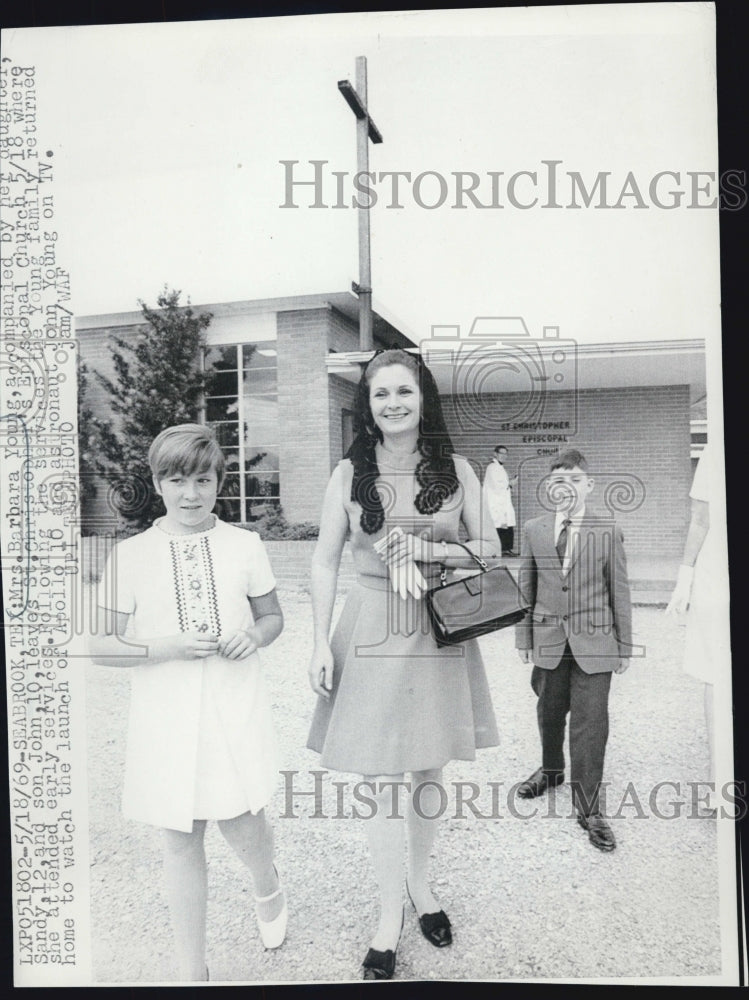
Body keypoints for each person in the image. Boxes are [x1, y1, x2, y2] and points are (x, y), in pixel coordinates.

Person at [306, 348, 500, 980]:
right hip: (369, 628)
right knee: (381, 779)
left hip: (437, 631)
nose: (392, 403)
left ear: (424, 399)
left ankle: (422, 886)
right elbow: (324, 561)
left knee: (426, 768)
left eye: (403, 392)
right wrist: (315, 643)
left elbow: (489, 554)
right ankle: (389, 916)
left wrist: (423, 549)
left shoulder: (458, 468)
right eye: (380, 394)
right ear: (367, 404)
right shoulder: (347, 472)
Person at [90, 424, 287, 982]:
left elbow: (273, 617)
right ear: (157, 483)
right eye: (176, 480)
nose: (191, 494)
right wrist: (165, 647)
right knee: (180, 837)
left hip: (232, 707)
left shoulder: (244, 545)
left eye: (203, 479)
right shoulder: (131, 554)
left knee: (243, 821)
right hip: (165, 718)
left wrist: (256, 635)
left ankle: (266, 881)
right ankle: (191, 972)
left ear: (219, 481)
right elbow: (99, 645)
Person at [515, 449, 632, 853]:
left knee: (591, 721)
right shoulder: (534, 528)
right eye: (556, 482)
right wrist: (522, 638)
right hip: (548, 639)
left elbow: (620, 591)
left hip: (595, 642)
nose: (564, 488)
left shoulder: (607, 530)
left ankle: (589, 807)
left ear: (589, 485)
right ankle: (551, 771)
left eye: (574, 480)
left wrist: (625, 645)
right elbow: (525, 588)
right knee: (548, 711)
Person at [665, 445, 728, 816]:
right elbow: (701, 520)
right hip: (718, 576)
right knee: (718, 677)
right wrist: (684, 580)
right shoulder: (715, 450)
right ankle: (720, 784)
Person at [483, 444, 517, 555]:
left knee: (506, 524)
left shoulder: (499, 468)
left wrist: (509, 484)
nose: (504, 456)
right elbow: (496, 485)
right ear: (495, 454)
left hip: (502, 502)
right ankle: (500, 550)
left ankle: (506, 549)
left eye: (506, 454)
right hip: (496, 503)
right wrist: (510, 483)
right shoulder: (492, 467)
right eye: (501, 453)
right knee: (498, 525)